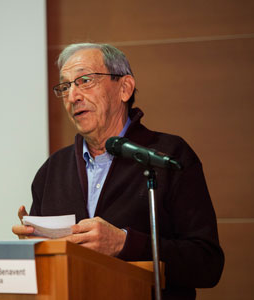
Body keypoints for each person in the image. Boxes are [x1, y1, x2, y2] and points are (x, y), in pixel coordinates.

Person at [12, 43, 224, 299]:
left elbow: (207, 263)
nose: (72, 96)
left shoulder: (167, 156)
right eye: (65, 86)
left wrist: (125, 244)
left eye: (85, 80)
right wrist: (35, 251)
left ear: (124, 88)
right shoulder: (52, 170)